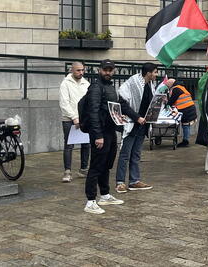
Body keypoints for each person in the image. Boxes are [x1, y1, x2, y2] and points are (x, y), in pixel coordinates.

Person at [84, 60, 143, 214]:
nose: (108, 73)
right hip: (100, 133)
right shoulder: (96, 88)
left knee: (107, 165)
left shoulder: (111, 87)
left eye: (110, 70)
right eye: (105, 70)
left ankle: (104, 195)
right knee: (96, 166)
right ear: (99, 70)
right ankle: (90, 201)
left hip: (110, 131)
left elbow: (121, 105)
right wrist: (97, 135)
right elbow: (93, 112)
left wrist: (137, 117)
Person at [115, 63, 158, 193]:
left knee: (136, 154)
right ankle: (120, 182)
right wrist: (137, 117)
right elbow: (123, 103)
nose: (156, 75)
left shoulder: (151, 85)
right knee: (125, 154)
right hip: (132, 123)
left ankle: (134, 180)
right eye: (155, 72)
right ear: (149, 72)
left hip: (143, 125)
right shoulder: (133, 82)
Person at [58, 61, 90, 183]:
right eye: (78, 70)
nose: (81, 72)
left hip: (83, 118)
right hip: (69, 119)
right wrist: (74, 117)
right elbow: (64, 103)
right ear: (72, 70)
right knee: (69, 145)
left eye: (82, 70)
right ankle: (67, 171)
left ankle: (83, 169)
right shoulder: (65, 84)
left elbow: (87, 102)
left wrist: (84, 117)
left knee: (86, 144)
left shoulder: (86, 83)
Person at [167, 79, 197, 147]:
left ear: (171, 83)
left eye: (168, 85)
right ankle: (186, 139)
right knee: (186, 125)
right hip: (189, 108)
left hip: (186, 108)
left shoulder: (176, 89)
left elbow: (172, 99)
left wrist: (167, 104)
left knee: (185, 125)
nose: (168, 87)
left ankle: (185, 141)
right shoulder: (181, 87)